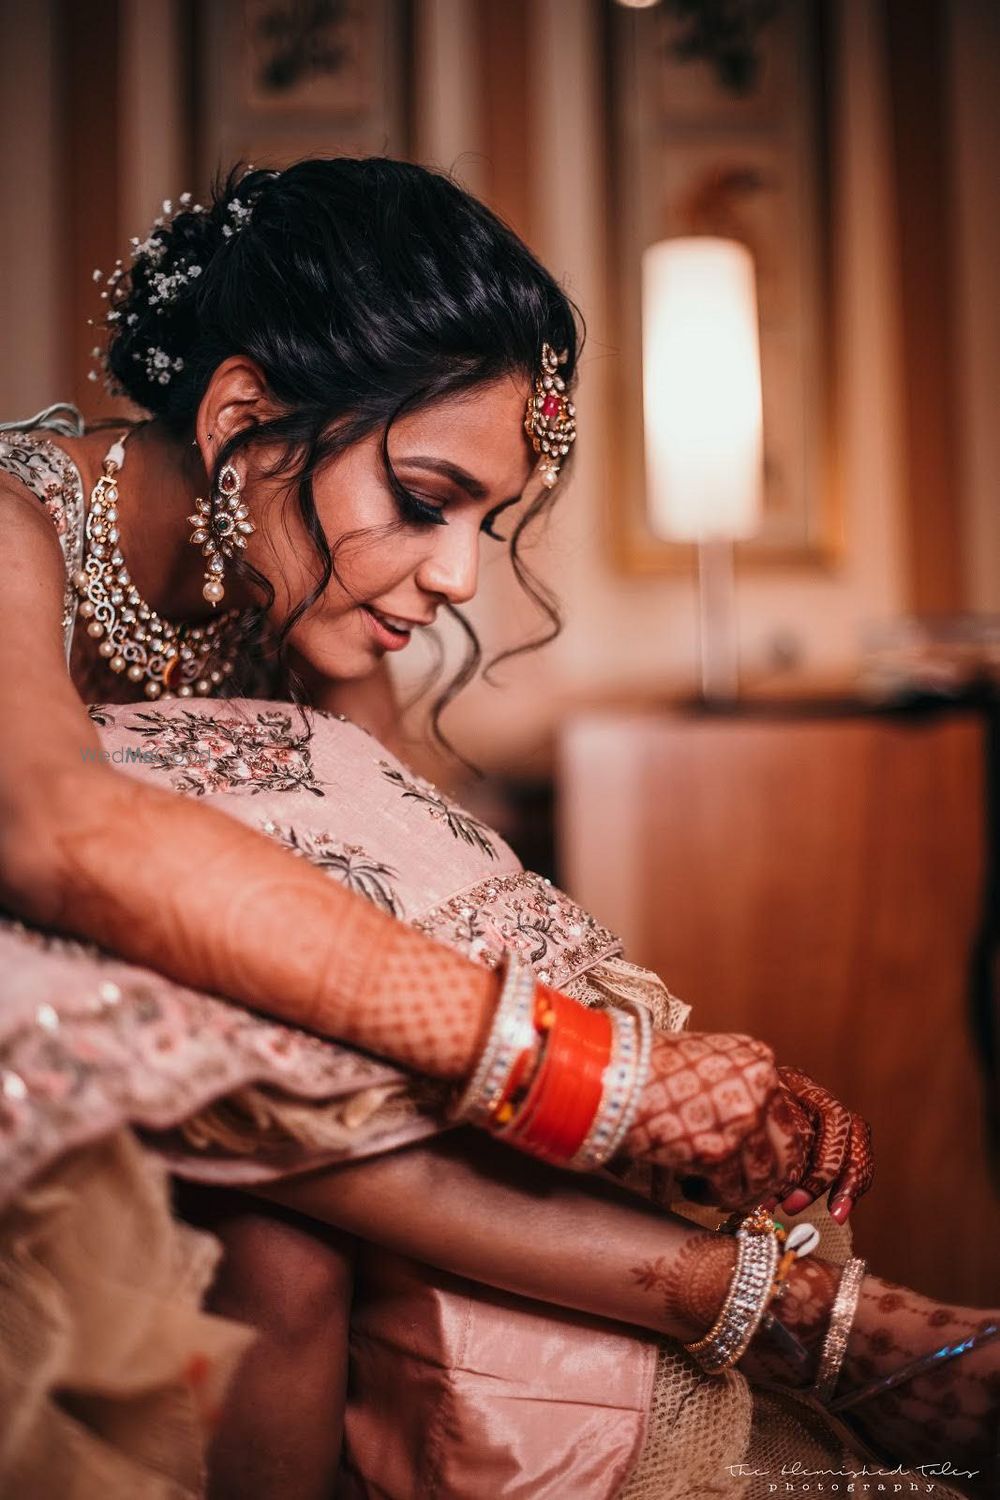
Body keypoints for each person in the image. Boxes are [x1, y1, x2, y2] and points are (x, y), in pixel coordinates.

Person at [0, 158, 993, 1497]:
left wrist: (679, 1081)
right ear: (244, 413)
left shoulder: (294, 599)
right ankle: (802, 1319)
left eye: (488, 518)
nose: (459, 574)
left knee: (285, 1243)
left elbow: (438, 919)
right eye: (422, 500)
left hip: (218, 1124)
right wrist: (610, 1083)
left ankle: (796, 1310)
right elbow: (58, 831)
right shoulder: (17, 529)